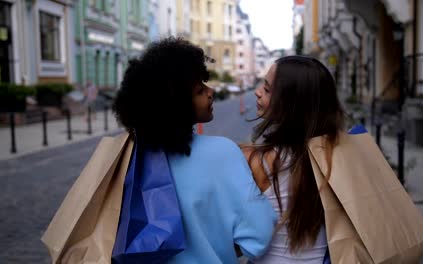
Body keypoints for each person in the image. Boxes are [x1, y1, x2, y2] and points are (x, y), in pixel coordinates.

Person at [112, 37, 277, 263]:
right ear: (175, 101)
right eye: (200, 90)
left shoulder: (131, 155)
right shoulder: (222, 152)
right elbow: (259, 234)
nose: (211, 92)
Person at [242, 56, 345, 263]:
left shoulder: (256, 160)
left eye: (268, 90)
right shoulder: (339, 155)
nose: (257, 91)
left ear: (293, 104)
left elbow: (239, 236)